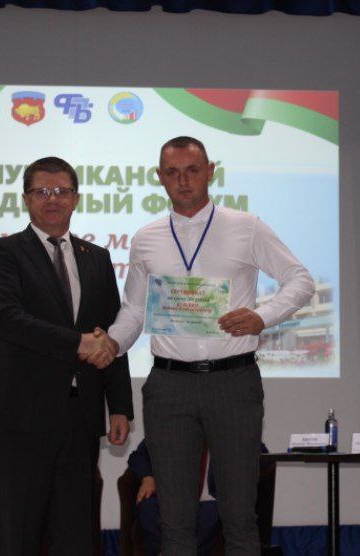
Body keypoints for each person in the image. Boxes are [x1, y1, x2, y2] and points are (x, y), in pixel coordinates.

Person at [106, 136, 315, 555]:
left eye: (192, 170)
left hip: (233, 382)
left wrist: (263, 316)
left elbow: (300, 280)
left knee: (239, 518)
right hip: (169, 386)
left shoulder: (246, 226)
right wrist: (111, 343)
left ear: (210, 172)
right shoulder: (147, 237)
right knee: (174, 522)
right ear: (159, 177)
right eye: (172, 172)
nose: (183, 181)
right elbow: (134, 309)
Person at [0, 156, 133, 555]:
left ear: (76, 199)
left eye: (62, 191)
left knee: (76, 535)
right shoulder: (2, 252)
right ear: (26, 199)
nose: (52, 199)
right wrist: (79, 343)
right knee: (21, 534)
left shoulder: (96, 257)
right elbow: (8, 320)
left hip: (80, 417)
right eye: (42, 191)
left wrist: (119, 406)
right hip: (20, 418)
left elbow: (110, 332)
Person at [129, 440, 271, 556]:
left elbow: (263, 457)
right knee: (147, 506)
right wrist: (147, 477)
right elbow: (138, 456)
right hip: (173, 498)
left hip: (210, 500)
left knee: (213, 512)